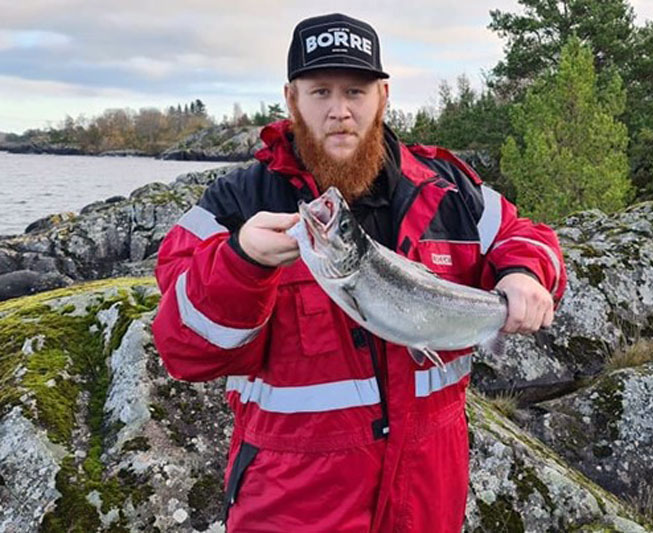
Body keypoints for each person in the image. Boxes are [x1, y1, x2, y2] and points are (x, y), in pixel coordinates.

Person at [152, 12, 567, 532]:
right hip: (292, 504)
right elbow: (183, 348)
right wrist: (242, 262)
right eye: (320, 92)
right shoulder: (236, 202)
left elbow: (524, 234)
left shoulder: (447, 188)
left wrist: (525, 275)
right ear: (291, 98)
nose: (339, 111)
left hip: (428, 498)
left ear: (383, 97)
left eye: (355, 91)